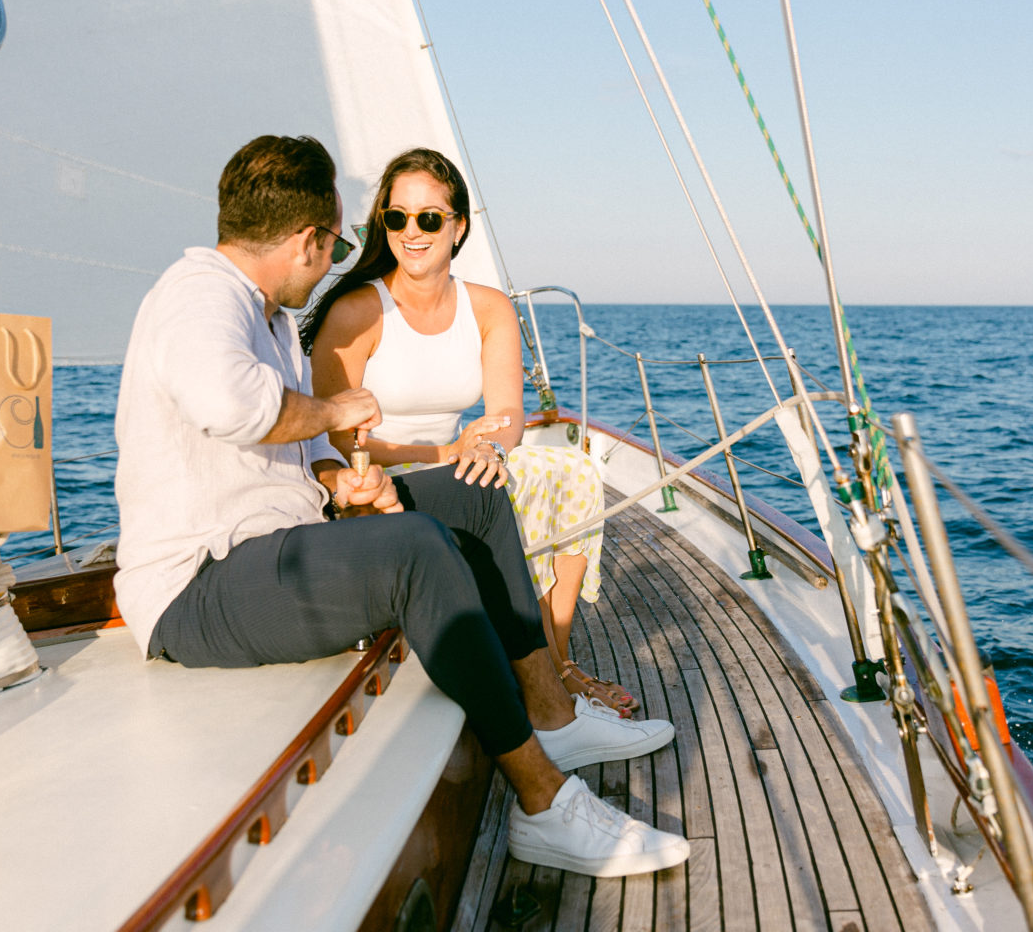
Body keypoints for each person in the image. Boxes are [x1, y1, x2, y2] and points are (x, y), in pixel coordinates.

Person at [113, 134, 687, 878]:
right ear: (307, 240)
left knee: (475, 493)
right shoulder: (199, 294)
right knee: (416, 545)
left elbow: (281, 460)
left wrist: (338, 484)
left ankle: (553, 715)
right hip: (198, 586)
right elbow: (231, 405)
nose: (337, 257)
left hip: (278, 544)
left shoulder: (271, 318)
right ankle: (544, 804)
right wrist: (333, 411)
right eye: (339, 240)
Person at [300, 147, 636, 716]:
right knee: (487, 487)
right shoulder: (358, 312)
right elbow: (336, 440)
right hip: (377, 477)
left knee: (574, 471)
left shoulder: (487, 307)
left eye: (429, 218)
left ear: (457, 228)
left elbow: (507, 413)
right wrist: (447, 451)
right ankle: (547, 676)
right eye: (397, 217)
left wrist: (488, 448)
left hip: (456, 456)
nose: (412, 231)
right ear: (384, 224)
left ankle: (558, 659)